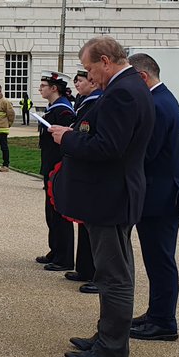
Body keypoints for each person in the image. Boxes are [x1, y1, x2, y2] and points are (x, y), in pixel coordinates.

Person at [49, 36, 155, 357]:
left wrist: (67, 137)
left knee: (113, 276)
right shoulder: (128, 87)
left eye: (91, 68)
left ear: (106, 60)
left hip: (112, 195)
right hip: (116, 192)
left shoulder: (123, 92)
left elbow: (107, 148)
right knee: (114, 271)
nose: (90, 76)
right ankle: (107, 337)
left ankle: (112, 350)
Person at [128, 53, 179, 342]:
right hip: (162, 192)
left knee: (161, 259)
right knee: (157, 259)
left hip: (163, 196)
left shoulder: (157, 104)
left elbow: (148, 153)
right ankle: (157, 313)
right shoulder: (162, 99)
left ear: (143, 77)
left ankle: (164, 321)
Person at [66, 69, 102, 293]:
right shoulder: (84, 102)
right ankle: (86, 267)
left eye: (80, 81)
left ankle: (98, 274)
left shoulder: (96, 102)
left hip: (96, 172)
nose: (77, 85)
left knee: (98, 230)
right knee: (86, 224)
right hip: (85, 170)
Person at [37, 71, 76, 271]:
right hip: (50, 164)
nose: (40, 89)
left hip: (58, 165)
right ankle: (55, 250)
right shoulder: (53, 108)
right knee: (51, 212)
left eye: (44, 85)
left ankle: (65, 256)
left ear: (54, 88)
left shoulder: (63, 111)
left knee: (59, 211)